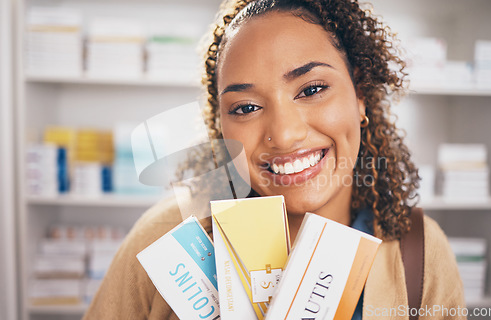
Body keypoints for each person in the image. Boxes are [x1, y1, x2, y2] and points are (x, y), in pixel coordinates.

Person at [83, 0, 466, 319]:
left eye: (312, 89)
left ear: (360, 94)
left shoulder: (419, 251)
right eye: (246, 107)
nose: (283, 135)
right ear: (221, 127)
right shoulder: (165, 238)